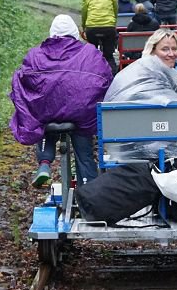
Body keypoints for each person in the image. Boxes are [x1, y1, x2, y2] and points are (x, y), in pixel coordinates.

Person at [10, 15, 114, 187]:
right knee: (84, 153)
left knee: (43, 118)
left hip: (49, 113)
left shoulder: (36, 54)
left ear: (52, 32)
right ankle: (88, 189)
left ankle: (44, 163)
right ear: (75, 33)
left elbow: (23, 79)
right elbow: (106, 77)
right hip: (81, 114)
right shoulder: (90, 52)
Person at [103, 28, 177, 161]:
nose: (171, 53)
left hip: (133, 141)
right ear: (152, 51)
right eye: (165, 49)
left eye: (174, 49)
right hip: (147, 144)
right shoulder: (149, 77)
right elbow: (172, 112)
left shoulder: (147, 70)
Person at [81, 0, 119, 75]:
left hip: (92, 28)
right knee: (109, 55)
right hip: (108, 27)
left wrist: (84, 26)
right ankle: (112, 76)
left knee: (92, 53)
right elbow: (115, 10)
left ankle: (92, 74)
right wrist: (113, 23)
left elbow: (84, 13)